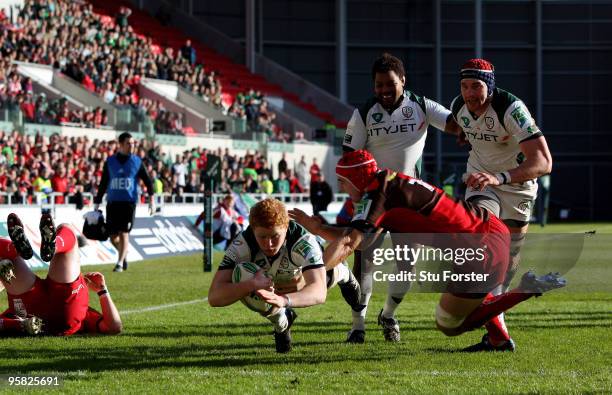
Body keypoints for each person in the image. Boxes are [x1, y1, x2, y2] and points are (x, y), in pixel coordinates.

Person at [292, 150, 565, 347]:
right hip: (483, 233)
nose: (341, 187)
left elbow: (350, 242)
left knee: (449, 324)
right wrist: (318, 229)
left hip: (479, 249)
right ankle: (499, 340)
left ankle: (525, 290)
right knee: (471, 301)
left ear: (356, 180)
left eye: (342, 182)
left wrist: (311, 277)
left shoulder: (377, 197)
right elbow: (356, 236)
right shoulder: (386, 183)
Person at [340, 52, 461, 343]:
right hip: (375, 199)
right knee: (364, 261)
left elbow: (455, 125)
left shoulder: (421, 105)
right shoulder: (364, 112)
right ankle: (358, 325)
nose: (383, 90)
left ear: (403, 81)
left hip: (409, 199)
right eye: (379, 85)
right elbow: (349, 158)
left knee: (406, 263)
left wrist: (469, 130)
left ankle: (389, 315)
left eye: (390, 84)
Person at [448, 58, 553, 351]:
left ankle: (497, 335)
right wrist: (466, 139)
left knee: (506, 266)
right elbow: (463, 129)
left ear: (490, 87)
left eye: (477, 86)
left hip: (518, 187)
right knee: (483, 244)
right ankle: (497, 333)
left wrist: (501, 175)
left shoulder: (511, 108)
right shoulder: (459, 105)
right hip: (482, 184)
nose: (469, 93)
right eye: (464, 86)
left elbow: (544, 162)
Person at [208, 198, 360, 353]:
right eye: (262, 237)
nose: (269, 244)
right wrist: (251, 285)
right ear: (253, 229)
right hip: (271, 283)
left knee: (330, 274)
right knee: (241, 274)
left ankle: (342, 273)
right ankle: (282, 321)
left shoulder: (302, 241)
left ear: (286, 227)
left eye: (274, 236)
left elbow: (319, 292)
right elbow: (214, 297)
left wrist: (284, 300)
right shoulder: (242, 244)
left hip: (305, 277)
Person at [0, 213, 122, 336]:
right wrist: (102, 291)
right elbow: (114, 327)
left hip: (27, 309)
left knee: (4, 256)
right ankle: (54, 245)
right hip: (65, 311)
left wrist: (19, 325)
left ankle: (15, 249)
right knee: (65, 227)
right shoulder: (89, 318)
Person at [94, 132, 155, 272]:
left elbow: (148, 181)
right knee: (112, 237)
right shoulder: (110, 161)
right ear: (120, 144)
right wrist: (97, 203)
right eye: (128, 143)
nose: (132, 146)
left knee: (124, 232)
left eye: (133, 143)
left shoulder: (137, 161)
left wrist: (152, 201)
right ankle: (124, 254)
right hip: (113, 202)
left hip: (129, 202)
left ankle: (120, 263)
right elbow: (103, 183)